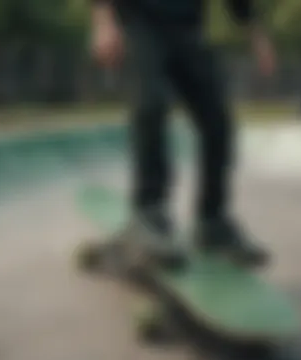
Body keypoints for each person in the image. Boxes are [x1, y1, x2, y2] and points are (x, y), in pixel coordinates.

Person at [90, 0, 276, 268]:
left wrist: (257, 35)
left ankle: (212, 221)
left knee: (218, 120)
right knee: (152, 105)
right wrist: (104, 23)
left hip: (187, 29)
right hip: (139, 25)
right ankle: (149, 212)